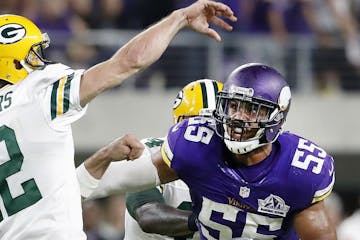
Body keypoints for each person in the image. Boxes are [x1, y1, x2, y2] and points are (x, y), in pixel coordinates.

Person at [0, 1, 237, 239]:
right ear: (14, 63)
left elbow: (56, 191)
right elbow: (129, 61)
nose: (40, 61)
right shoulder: (37, 91)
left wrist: (103, 158)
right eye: (33, 55)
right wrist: (181, 17)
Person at [81, 63, 336, 239]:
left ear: (275, 116)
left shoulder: (301, 170)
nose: (238, 118)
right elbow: (118, 185)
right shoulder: (192, 147)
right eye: (233, 106)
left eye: (251, 109)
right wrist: (69, 184)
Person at [79, 79, 222, 239]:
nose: (207, 135)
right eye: (199, 126)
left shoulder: (238, 165)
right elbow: (147, 215)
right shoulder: (152, 151)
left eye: (216, 126)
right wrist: (208, 223)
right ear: (180, 125)